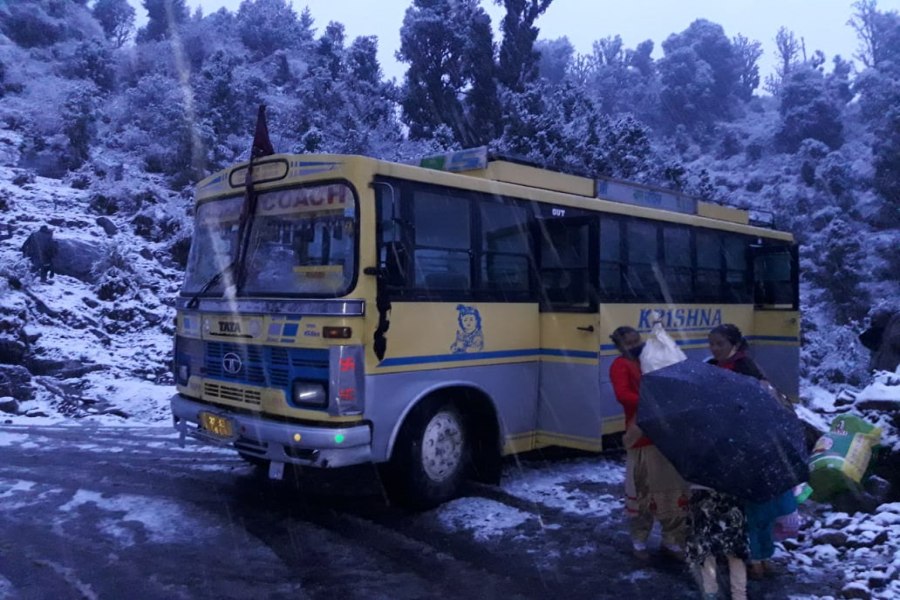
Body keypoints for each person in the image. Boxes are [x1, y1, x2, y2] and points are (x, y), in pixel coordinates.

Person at [706, 323, 797, 581]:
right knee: (727, 504)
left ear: (734, 344)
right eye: (711, 344)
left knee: (756, 507)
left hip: (747, 443)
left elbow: (761, 403)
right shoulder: (712, 368)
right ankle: (739, 553)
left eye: (719, 344)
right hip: (723, 443)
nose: (714, 349)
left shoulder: (746, 368)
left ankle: (758, 556)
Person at [609, 325, 689, 562]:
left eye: (637, 340)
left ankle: (671, 540)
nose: (635, 346)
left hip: (665, 437)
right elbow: (623, 395)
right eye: (629, 343)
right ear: (619, 346)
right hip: (641, 436)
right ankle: (639, 540)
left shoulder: (651, 358)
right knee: (641, 491)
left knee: (672, 491)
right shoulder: (620, 366)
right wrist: (653, 402)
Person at [860, 308, 900, 374]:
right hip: (888, 369)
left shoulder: (894, 319)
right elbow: (895, 339)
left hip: (882, 368)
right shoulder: (896, 319)